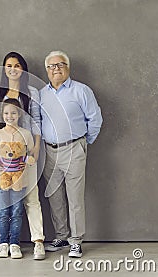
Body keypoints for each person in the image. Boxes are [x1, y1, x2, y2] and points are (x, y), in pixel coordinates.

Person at [40, 51, 103, 258]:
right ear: (47, 70)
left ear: (68, 67)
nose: (56, 69)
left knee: (75, 197)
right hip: (49, 151)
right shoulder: (42, 94)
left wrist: (84, 143)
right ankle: (61, 236)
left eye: (60, 64)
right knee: (55, 197)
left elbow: (95, 119)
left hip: (74, 148)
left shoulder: (81, 91)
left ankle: (76, 241)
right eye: (52, 66)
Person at [0, 52, 46, 260]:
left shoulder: (31, 92)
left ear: (23, 69)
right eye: (9, 65)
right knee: (6, 204)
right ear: (4, 69)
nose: (13, 68)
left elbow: (37, 119)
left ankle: (38, 241)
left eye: (17, 65)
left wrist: (36, 147)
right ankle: (8, 243)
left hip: (26, 151)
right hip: (3, 159)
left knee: (31, 198)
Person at [0, 98, 35, 259]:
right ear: (2, 115)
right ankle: (3, 244)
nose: (10, 116)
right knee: (3, 212)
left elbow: (30, 154)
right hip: (1, 179)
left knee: (16, 211)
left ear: (19, 114)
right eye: (7, 113)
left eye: (14, 113)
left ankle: (14, 244)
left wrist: (30, 159)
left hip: (19, 179)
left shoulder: (26, 134)